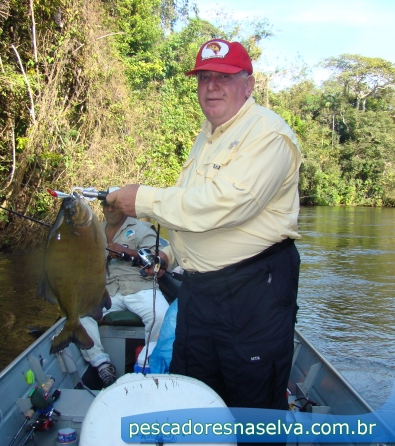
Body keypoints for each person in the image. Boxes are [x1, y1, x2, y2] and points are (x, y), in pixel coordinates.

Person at [105, 38, 302, 411]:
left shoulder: (267, 133)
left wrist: (143, 200)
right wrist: (169, 255)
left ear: (248, 85)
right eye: (204, 77)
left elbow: (225, 205)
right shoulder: (207, 136)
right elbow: (192, 211)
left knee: (252, 406)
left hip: (253, 293)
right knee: (193, 394)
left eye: (224, 77)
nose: (212, 86)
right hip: (199, 295)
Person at [79, 199, 170, 387]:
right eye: (106, 205)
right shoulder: (95, 231)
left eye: (114, 205)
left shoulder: (142, 228)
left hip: (139, 287)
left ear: (124, 208)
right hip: (109, 290)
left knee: (162, 315)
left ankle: (149, 361)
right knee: (78, 313)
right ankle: (101, 363)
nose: (110, 209)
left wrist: (128, 252)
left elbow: (157, 259)